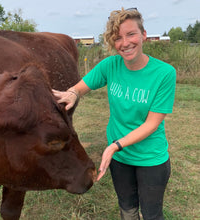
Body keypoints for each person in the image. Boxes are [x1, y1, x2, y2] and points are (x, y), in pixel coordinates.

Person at [52, 7, 176, 220]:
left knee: (152, 214)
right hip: (120, 159)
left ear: (143, 35)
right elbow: (82, 86)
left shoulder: (164, 73)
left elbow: (151, 124)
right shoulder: (110, 65)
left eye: (131, 34)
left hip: (151, 159)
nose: (125, 43)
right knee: (127, 209)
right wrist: (72, 93)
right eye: (118, 38)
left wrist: (114, 146)